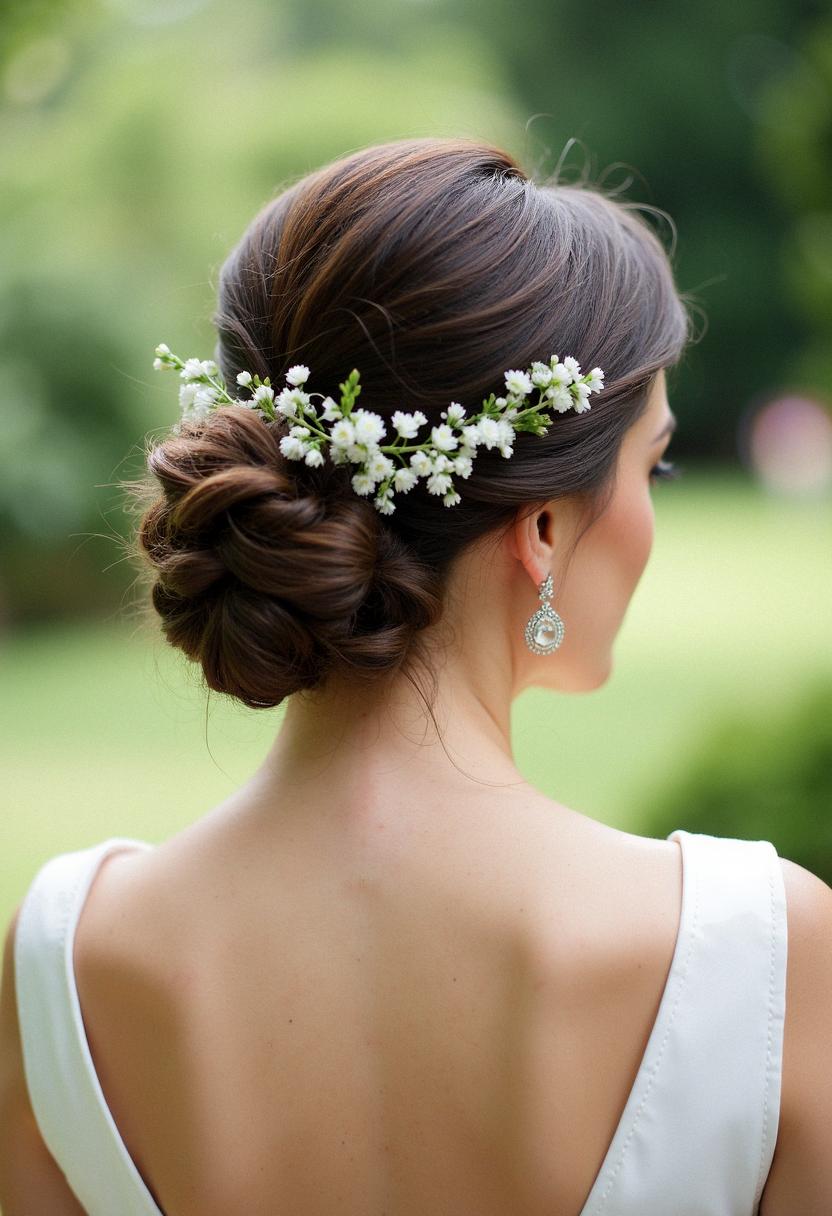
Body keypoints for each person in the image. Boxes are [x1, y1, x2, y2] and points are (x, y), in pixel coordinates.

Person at [1, 136, 830, 1216]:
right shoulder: (760, 956)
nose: (652, 511)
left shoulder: (65, 964)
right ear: (541, 526)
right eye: (653, 463)